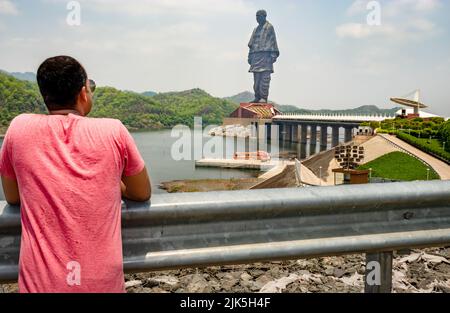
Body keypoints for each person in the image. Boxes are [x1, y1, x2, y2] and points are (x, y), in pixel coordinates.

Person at [0, 56, 151, 293]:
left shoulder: (19, 129)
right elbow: (141, 192)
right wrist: (110, 182)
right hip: (102, 286)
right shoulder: (114, 130)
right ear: (83, 93)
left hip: (40, 287)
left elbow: (13, 196)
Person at [248, 9, 280, 103]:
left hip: (266, 56)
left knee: (264, 79)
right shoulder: (256, 29)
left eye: (259, 16)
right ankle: (257, 96)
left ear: (264, 16)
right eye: (256, 16)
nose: (257, 18)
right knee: (256, 79)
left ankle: (263, 97)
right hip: (255, 56)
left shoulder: (269, 27)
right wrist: (249, 56)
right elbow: (251, 44)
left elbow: (273, 41)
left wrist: (273, 55)